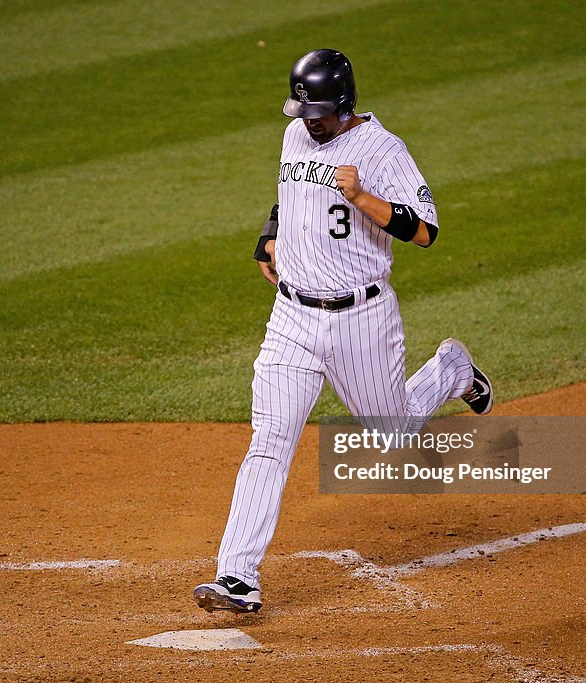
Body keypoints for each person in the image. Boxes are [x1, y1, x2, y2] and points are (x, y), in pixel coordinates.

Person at [193, 49, 494, 613]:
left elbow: (426, 230)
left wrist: (361, 198)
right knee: (270, 440)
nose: (311, 121)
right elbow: (290, 195)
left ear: (346, 104)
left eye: (322, 112)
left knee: (393, 433)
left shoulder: (383, 151)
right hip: (292, 320)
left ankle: (451, 368)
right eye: (304, 110)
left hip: (362, 320)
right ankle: (237, 576)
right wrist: (268, 236)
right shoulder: (295, 136)